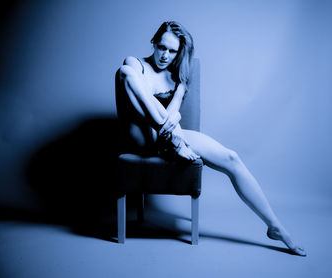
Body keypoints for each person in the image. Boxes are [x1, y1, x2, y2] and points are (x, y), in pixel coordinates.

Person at [115, 21, 306, 256]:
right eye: (162, 47)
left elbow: (173, 113)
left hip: (167, 135)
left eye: (172, 51)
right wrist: (169, 124)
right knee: (124, 73)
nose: (165, 55)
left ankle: (275, 227)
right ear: (154, 43)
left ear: (179, 53)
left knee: (232, 158)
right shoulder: (136, 64)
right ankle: (174, 142)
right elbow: (151, 106)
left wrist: (171, 121)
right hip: (139, 137)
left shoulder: (177, 79)